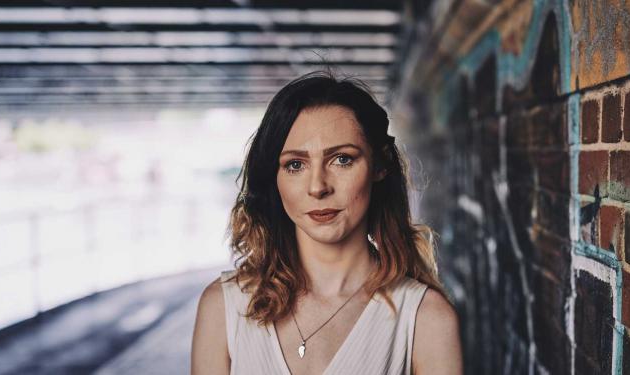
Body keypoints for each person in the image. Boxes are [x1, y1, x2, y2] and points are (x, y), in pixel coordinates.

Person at [191, 71, 462, 375]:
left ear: (380, 165)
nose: (318, 187)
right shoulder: (222, 308)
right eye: (295, 164)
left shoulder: (426, 318)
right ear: (274, 177)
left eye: (342, 159)